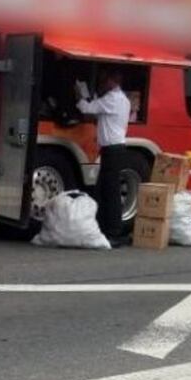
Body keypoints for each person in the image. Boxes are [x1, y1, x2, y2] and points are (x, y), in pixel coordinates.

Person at [76, 69, 131, 247]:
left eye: (104, 81)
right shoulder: (123, 99)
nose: (102, 84)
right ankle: (102, 227)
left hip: (112, 150)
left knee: (111, 191)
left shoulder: (111, 100)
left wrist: (79, 94)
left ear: (111, 82)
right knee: (103, 189)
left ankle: (114, 232)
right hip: (116, 149)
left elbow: (86, 108)